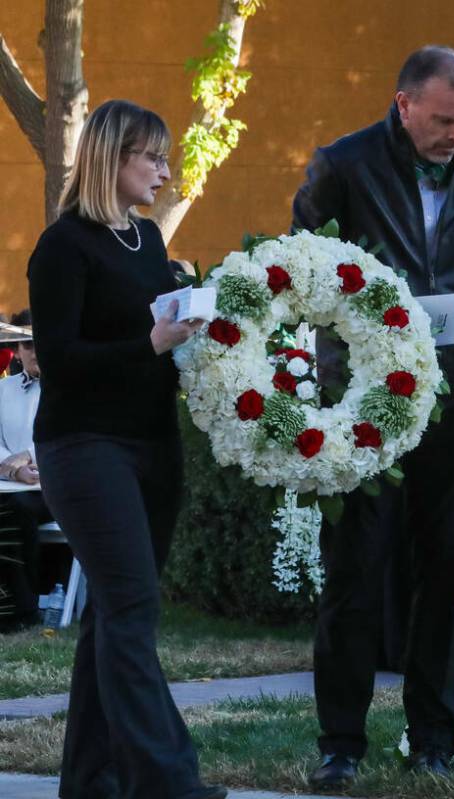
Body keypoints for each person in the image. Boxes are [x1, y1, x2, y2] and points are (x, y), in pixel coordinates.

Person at [292, 45, 454, 786]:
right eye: (443, 119)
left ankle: (434, 738)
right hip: (364, 399)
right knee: (354, 575)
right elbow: (303, 271)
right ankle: (340, 744)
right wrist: (363, 329)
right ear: (404, 104)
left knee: (448, 572)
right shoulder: (343, 163)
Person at [26, 100, 220, 798]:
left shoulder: (149, 241)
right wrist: (150, 342)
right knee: (132, 607)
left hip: (152, 446)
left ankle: (89, 782)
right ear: (114, 158)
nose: (166, 173)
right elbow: (61, 358)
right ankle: (166, 781)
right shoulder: (63, 247)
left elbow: (156, 350)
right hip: (84, 446)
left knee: (113, 612)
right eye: (154, 158)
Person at [0, 311, 52, 634]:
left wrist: (28, 459)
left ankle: (23, 608)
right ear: (17, 350)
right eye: (28, 345)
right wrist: (11, 467)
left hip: (56, 486)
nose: (36, 352)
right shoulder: (4, 391)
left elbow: (71, 437)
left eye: (41, 344)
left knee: (13, 510)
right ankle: (17, 606)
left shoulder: (69, 389)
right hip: (10, 484)